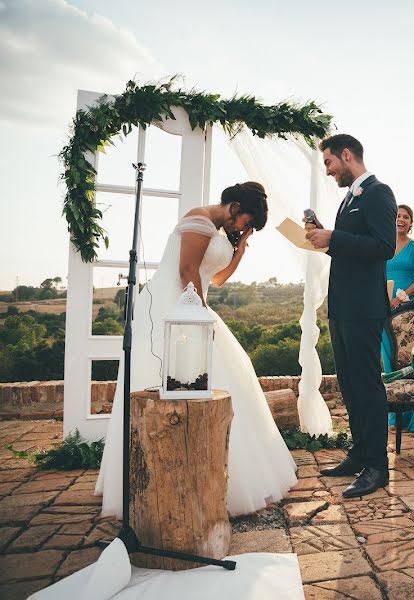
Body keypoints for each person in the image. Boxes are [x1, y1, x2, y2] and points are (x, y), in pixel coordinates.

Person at [95, 182, 298, 517]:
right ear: (233, 206)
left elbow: (216, 279)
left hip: (193, 303)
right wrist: (201, 315)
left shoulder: (217, 230)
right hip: (175, 307)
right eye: (245, 221)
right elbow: (187, 271)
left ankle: (214, 472)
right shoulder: (199, 220)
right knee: (179, 380)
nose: (243, 228)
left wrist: (241, 248)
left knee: (228, 374)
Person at [306, 134, 397, 497]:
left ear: (347, 155)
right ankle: (358, 454)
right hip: (342, 306)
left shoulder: (378, 193)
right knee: (349, 384)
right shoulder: (348, 199)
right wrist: (324, 239)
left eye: (329, 163)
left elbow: (384, 246)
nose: (328, 171)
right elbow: (351, 249)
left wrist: (334, 238)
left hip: (365, 307)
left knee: (367, 385)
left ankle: (378, 466)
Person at [383, 204, 414, 430]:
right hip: (384, 303)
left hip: (409, 304)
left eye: (406, 217)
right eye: (398, 216)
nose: (401, 219)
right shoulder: (384, 242)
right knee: (389, 354)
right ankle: (393, 415)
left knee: (411, 353)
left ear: (411, 222)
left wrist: (401, 298)